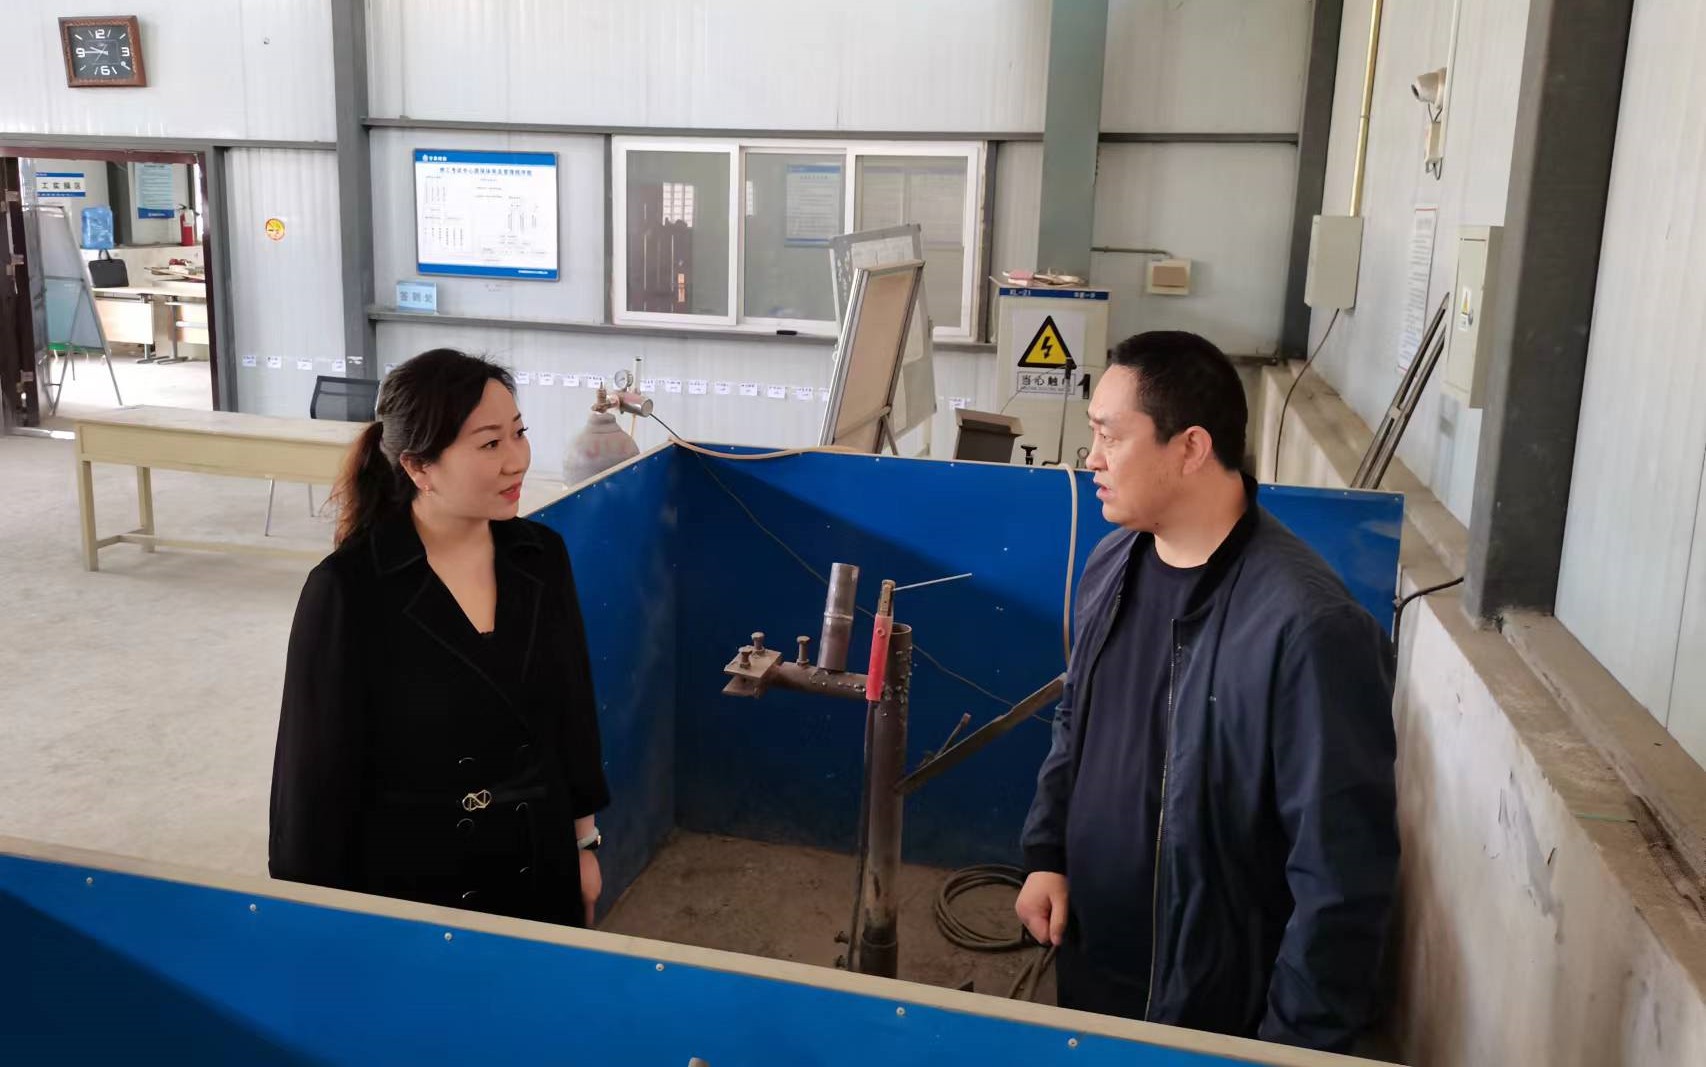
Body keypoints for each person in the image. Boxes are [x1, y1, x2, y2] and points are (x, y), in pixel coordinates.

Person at [1015, 331, 1397, 1052]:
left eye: (1110, 436)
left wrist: (1291, 1047)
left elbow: (1340, 873)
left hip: (1211, 1009)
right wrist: (1048, 854)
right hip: (1092, 964)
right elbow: (1076, 724)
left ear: (1191, 447)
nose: (1091, 458)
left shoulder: (1308, 629)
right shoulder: (1111, 563)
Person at [270, 349, 609, 928]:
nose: (517, 461)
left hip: (540, 860)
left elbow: (572, 716)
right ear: (419, 467)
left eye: (519, 433)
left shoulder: (541, 557)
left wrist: (584, 845)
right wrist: (314, 922)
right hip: (417, 888)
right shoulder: (349, 589)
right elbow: (313, 781)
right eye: (489, 444)